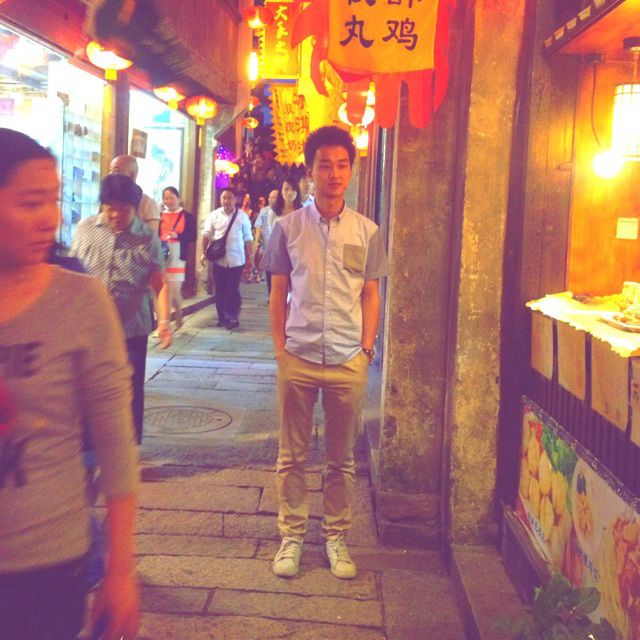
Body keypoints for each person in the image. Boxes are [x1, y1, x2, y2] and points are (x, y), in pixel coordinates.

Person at [0, 128, 139, 640]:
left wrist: (120, 570)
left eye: (53, 201)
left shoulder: (80, 301)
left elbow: (116, 444)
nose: (49, 218)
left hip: (48, 561)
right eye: (30, 203)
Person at [263, 126, 388, 580]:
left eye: (342, 165)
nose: (334, 174)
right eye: (325, 165)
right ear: (310, 171)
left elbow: (370, 295)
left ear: (351, 171)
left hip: (347, 359)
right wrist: (281, 350)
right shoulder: (287, 228)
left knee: (342, 460)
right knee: (291, 457)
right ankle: (291, 536)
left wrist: (366, 350)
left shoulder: (368, 231)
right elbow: (277, 293)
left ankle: (336, 537)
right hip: (298, 356)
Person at [71, 173, 172, 444]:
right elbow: (71, 274)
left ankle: (128, 447)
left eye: (124, 209)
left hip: (131, 329)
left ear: (135, 209)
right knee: (87, 388)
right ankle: (90, 447)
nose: (116, 214)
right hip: (89, 329)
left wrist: (164, 322)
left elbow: (160, 284)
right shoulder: (85, 229)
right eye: (110, 207)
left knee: (128, 391)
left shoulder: (146, 238)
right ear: (102, 205)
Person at [200, 188, 253, 330]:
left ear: (235, 200)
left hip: (237, 259)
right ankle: (222, 317)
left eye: (229, 198)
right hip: (219, 259)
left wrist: (250, 257)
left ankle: (232, 317)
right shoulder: (214, 215)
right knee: (220, 289)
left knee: (232, 288)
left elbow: (248, 238)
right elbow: (206, 234)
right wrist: (203, 253)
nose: (226, 201)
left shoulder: (242, 217)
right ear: (220, 199)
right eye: (224, 198)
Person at [159, 186, 197, 330]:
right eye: (166, 198)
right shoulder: (159, 215)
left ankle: (178, 313)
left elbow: (192, 236)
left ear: (178, 199)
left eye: (172, 198)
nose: (169, 201)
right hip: (162, 254)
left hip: (177, 256)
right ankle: (165, 324)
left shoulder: (187, 216)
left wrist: (179, 236)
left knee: (174, 291)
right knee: (163, 290)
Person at [256, 178, 302, 297]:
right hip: (277, 255)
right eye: (286, 189)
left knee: (295, 292)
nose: (289, 193)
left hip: (296, 256)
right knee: (276, 291)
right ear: (281, 191)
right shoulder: (274, 212)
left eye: (293, 189)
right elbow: (272, 233)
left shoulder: (302, 212)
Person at [109, 154, 161, 234]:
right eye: (110, 170)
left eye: (116, 171)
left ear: (132, 175)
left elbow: (151, 236)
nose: (111, 174)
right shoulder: (108, 199)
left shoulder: (148, 203)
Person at [252, 189, 278, 285]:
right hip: (266, 243)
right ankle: (260, 274)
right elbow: (258, 226)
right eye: (270, 197)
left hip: (279, 246)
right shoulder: (264, 211)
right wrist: (256, 241)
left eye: (273, 197)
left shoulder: (283, 210)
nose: (271, 199)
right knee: (267, 268)